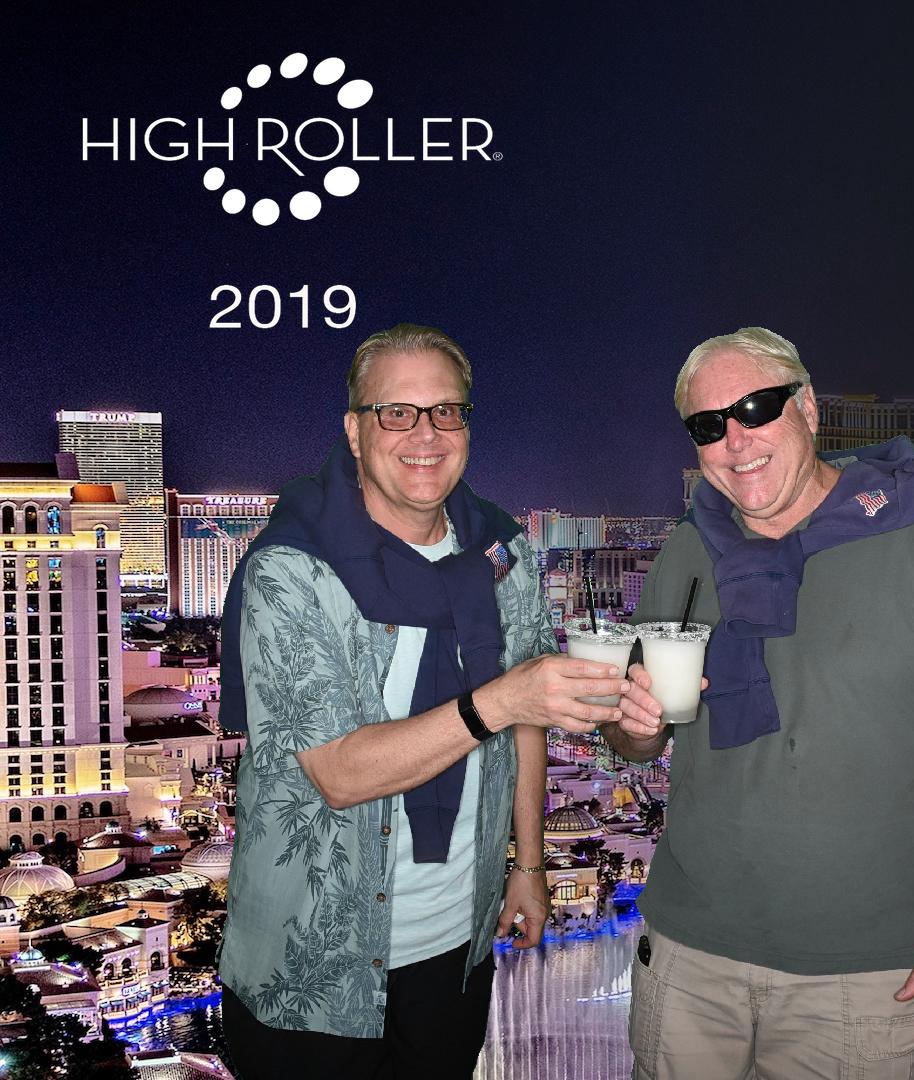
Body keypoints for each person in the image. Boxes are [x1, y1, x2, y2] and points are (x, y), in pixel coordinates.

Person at [607, 327, 914, 1078]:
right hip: (690, 956)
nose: (736, 440)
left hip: (871, 973)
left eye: (756, 408)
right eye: (709, 425)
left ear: (808, 408)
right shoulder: (687, 551)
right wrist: (635, 728)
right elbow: (636, 738)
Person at [216, 324, 629, 1078]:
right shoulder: (293, 569)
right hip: (313, 964)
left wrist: (529, 864)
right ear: (355, 429)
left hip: (454, 945)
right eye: (396, 413)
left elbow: (529, 720)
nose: (425, 434)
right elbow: (340, 773)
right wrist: (498, 701)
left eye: (446, 411)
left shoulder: (502, 553)